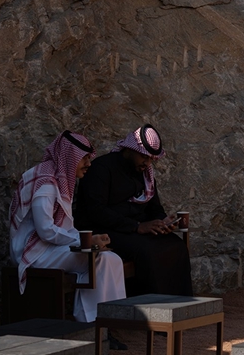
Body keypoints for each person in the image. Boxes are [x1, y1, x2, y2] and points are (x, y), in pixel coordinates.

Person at [10, 130, 127, 323]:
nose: (89, 164)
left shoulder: (59, 179)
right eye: (84, 159)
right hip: (33, 253)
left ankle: (108, 322)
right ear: (70, 158)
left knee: (110, 258)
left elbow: (64, 227)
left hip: (49, 248)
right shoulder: (46, 184)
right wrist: (85, 242)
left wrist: (91, 242)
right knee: (100, 260)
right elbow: (46, 230)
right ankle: (91, 323)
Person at [75, 124, 193, 296]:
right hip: (107, 230)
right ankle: (151, 309)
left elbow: (155, 208)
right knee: (148, 252)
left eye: (151, 159)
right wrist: (137, 226)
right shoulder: (101, 168)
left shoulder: (145, 174)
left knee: (176, 246)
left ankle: (178, 307)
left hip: (135, 230)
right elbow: (96, 211)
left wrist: (163, 222)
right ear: (130, 149)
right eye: (143, 156)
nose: (147, 162)